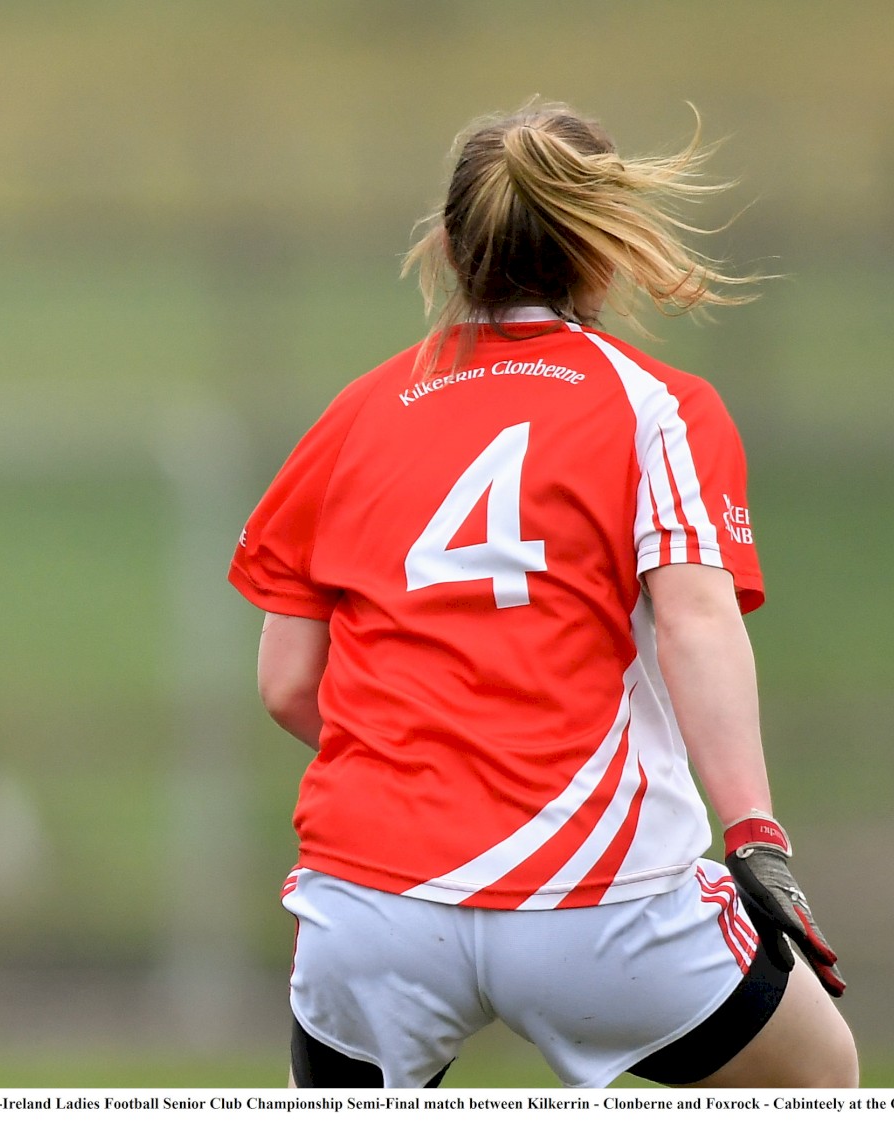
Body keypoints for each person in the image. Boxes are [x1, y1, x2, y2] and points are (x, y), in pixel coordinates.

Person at [229, 101, 858, 1089]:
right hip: (600, 899)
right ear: (601, 254)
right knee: (818, 1079)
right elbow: (694, 623)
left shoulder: (353, 413)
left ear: (442, 250)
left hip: (371, 898)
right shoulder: (659, 408)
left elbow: (283, 681)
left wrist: (436, 769)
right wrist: (753, 835)